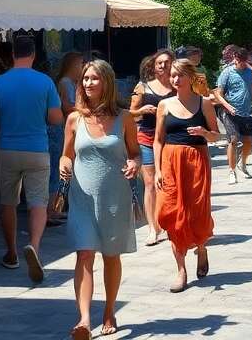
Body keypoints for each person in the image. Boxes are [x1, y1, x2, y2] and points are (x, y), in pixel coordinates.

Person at [59, 60, 140, 340]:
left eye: (94, 78)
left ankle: (108, 310)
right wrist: (64, 163)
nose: (88, 83)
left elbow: (135, 152)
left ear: (106, 81)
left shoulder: (124, 118)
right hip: (81, 196)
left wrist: (134, 164)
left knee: (110, 256)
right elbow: (67, 153)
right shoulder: (74, 119)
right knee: (84, 253)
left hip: (113, 197)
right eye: (84, 79)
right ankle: (83, 320)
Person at [0, 34, 63, 282]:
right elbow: (56, 118)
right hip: (37, 148)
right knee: (38, 202)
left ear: (12, 54)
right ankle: (35, 248)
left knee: (8, 202)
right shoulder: (45, 82)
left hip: (7, 148)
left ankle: (11, 253)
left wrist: (1, 130)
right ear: (34, 54)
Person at [155, 59, 220, 292]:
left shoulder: (204, 104)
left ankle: (201, 247)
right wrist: (159, 169)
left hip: (196, 161)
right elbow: (158, 140)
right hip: (170, 162)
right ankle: (181, 270)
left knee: (197, 213)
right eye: (172, 75)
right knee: (170, 212)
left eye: (180, 75)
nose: (175, 79)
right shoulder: (164, 105)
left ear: (190, 77)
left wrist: (204, 132)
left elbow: (216, 136)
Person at [130, 48, 174, 247]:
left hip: (171, 139)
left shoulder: (177, 85)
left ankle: (168, 222)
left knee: (168, 182)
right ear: (153, 66)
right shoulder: (143, 87)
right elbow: (129, 112)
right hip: (146, 137)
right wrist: (141, 110)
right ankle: (152, 228)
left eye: (166, 62)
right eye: (159, 63)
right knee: (149, 183)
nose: (163, 66)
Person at [49, 52, 85, 224]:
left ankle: (60, 206)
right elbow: (68, 106)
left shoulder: (71, 82)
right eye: (81, 64)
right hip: (64, 129)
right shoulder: (65, 82)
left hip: (67, 128)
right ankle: (56, 207)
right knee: (62, 169)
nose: (83, 67)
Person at [214, 47, 252, 184]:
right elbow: (217, 93)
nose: (244, 64)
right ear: (235, 59)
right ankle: (232, 171)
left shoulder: (250, 73)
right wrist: (227, 106)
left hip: (247, 111)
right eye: (241, 61)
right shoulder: (227, 72)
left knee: (249, 141)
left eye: (246, 61)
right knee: (233, 139)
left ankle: (242, 163)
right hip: (230, 112)